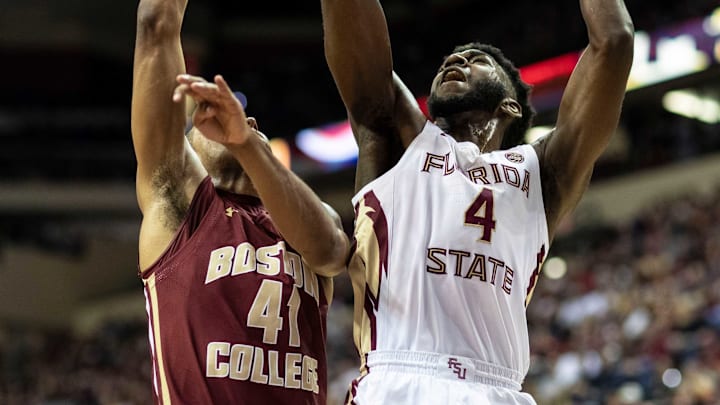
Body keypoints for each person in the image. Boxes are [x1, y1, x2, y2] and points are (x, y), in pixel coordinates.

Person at [320, 0, 634, 403]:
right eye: (452, 59)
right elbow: (358, 43)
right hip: (401, 376)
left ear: (510, 105)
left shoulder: (544, 172)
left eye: (476, 60)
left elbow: (615, 42)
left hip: (498, 388)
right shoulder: (397, 140)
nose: (457, 59)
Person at [131, 0, 349, 403]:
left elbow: (333, 253)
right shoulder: (180, 206)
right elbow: (155, 22)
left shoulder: (307, 224)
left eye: (252, 126)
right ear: (190, 149)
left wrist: (245, 143)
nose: (246, 122)